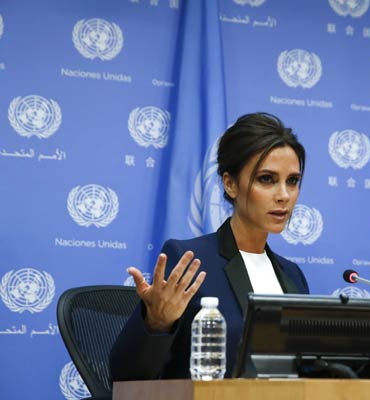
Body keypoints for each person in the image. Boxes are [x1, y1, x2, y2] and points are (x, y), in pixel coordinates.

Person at [110, 112, 309, 380]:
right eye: (267, 179)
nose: (284, 195)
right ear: (230, 184)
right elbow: (125, 377)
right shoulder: (190, 260)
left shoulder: (292, 275)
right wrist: (156, 323)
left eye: (292, 181)